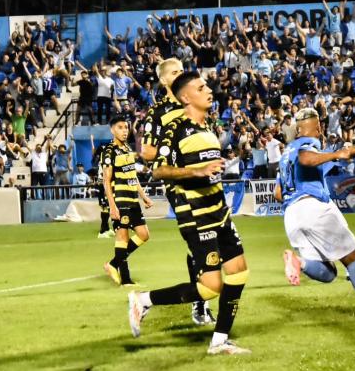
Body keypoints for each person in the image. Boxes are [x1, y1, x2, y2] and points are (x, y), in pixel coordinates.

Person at [128, 72, 251, 355]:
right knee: (210, 286)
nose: (209, 90)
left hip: (218, 211)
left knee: (239, 271)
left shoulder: (208, 127)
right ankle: (143, 300)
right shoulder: (176, 129)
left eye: (207, 85)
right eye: (201, 87)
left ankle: (219, 341)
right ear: (186, 97)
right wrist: (197, 171)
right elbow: (158, 169)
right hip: (196, 215)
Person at [274, 107, 355, 322]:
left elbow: (278, 193)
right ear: (317, 127)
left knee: (328, 273)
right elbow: (307, 158)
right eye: (321, 126)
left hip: (292, 214)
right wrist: (339, 153)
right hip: (313, 208)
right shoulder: (308, 145)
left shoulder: (286, 155)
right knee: (352, 256)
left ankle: (298, 261)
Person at [138, 57, 213, 325]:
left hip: (203, 181)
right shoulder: (158, 112)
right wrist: (179, 147)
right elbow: (146, 151)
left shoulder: (195, 105)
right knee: (200, 240)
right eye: (174, 72)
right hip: (179, 183)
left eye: (182, 70)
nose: (180, 74)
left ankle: (201, 299)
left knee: (206, 241)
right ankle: (200, 304)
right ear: (163, 80)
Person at [102, 116, 153, 286]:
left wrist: (143, 196)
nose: (124, 131)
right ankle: (126, 280)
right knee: (122, 237)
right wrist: (112, 206)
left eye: (126, 127)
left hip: (133, 199)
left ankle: (112, 264)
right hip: (120, 199)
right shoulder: (109, 150)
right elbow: (106, 180)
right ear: (112, 130)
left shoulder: (127, 149)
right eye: (120, 127)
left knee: (144, 235)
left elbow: (133, 176)